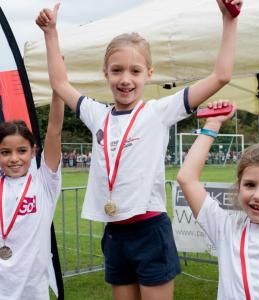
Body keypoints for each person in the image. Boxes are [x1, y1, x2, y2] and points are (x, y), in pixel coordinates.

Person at [36, 1, 243, 299]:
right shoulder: (97, 114)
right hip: (115, 233)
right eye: (117, 70)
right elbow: (59, 82)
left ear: (149, 74)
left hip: (150, 232)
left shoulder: (158, 112)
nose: (125, 79)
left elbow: (220, 77)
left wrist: (229, 20)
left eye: (135, 71)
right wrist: (51, 32)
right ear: (105, 73)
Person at [177, 100, 259, 299]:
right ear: (238, 186)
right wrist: (213, 123)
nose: (258, 196)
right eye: (250, 184)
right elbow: (187, 178)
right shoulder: (226, 228)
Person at [0, 91, 64, 300]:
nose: (14, 158)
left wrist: (58, 92)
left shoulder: (43, 183)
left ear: (33, 151)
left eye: (21, 150)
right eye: (5, 152)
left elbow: (54, 131)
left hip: (33, 290)